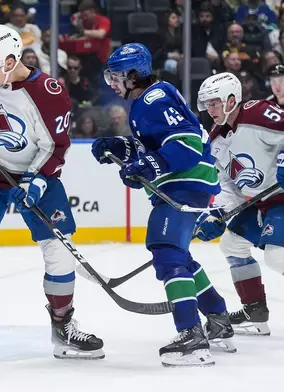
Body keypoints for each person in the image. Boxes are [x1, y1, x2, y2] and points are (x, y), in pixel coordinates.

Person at [0, 24, 104, 365]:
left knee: (58, 251)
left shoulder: (49, 93)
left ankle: (63, 324)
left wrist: (36, 181)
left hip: (36, 176)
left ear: (10, 61)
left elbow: (56, 146)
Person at [90, 43, 235, 367]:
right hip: (187, 182)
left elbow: (185, 144)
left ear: (132, 75)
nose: (111, 82)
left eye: (115, 76)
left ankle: (191, 335)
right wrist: (121, 147)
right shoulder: (145, 101)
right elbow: (154, 146)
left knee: (166, 250)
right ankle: (218, 318)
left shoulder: (154, 98)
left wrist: (148, 166)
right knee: (178, 254)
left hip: (187, 182)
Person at [194, 68, 284, 336]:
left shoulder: (257, 113)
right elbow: (231, 188)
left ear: (231, 100)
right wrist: (217, 214)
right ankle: (254, 310)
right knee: (232, 245)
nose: (210, 109)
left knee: (277, 256)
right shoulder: (216, 141)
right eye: (207, 104)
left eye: (214, 102)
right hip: (264, 202)